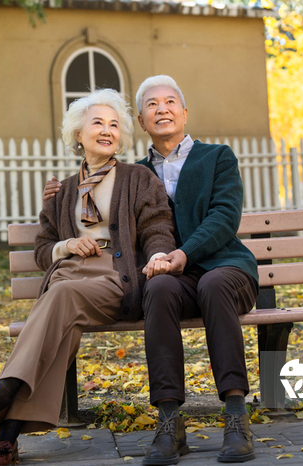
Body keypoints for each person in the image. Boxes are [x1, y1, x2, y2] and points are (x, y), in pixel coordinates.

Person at [44, 76, 259, 464]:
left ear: (184, 112)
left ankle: (235, 414)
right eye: (152, 105)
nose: (163, 109)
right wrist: (62, 194)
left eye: (171, 101)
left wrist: (183, 254)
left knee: (212, 283)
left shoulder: (217, 157)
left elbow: (225, 217)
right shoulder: (133, 175)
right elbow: (95, 198)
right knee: (156, 290)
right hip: (173, 279)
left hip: (225, 268)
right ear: (142, 121)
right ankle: (169, 421)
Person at [0, 88, 176, 465]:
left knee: (58, 299)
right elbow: (43, 249)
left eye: (114, 125)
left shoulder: (138, 178)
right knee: (61, 328)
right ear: (79, 134)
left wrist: (158, 255)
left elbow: (158, 226)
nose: (106, 131)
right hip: (68, 277)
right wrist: (68, 245)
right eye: (97, 123)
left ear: (120, 135)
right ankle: (7, 436)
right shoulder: (62, 190)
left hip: (113, 277)